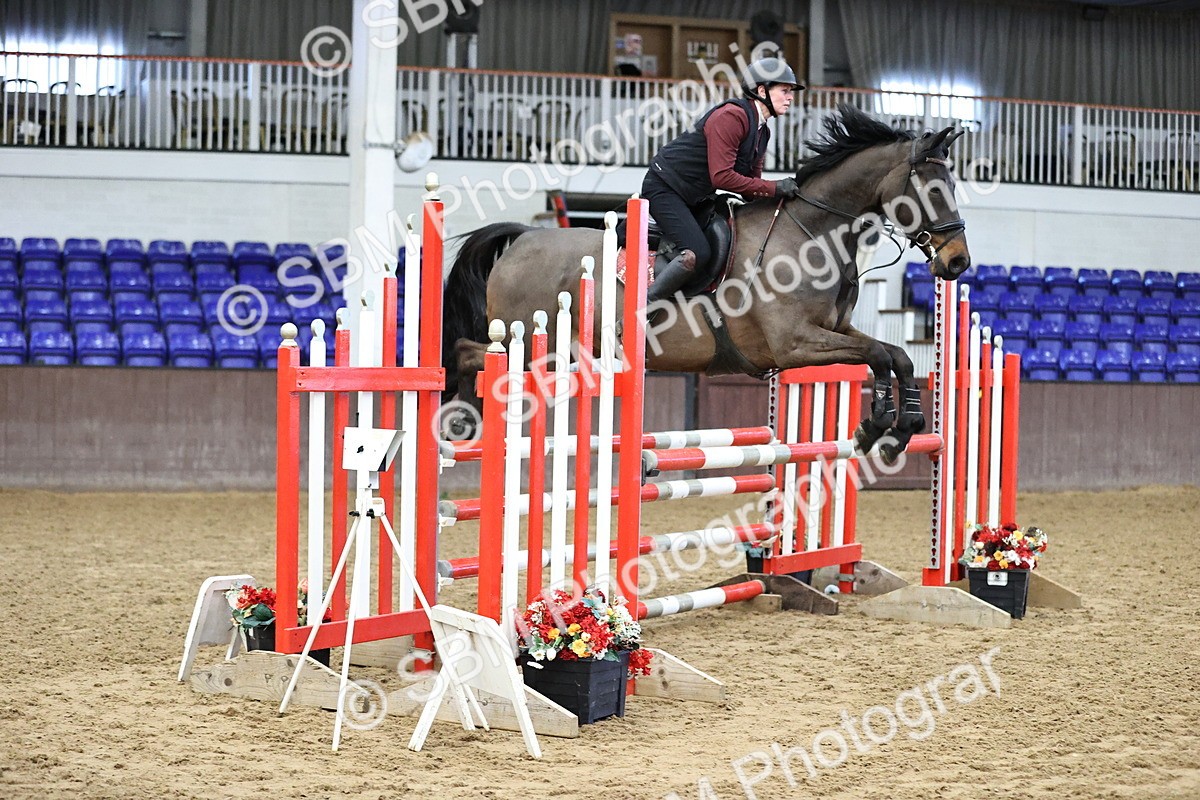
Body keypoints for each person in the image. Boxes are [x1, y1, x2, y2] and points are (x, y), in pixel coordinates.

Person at [640, 57, 805, 307]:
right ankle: (642, 307)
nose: (790, 97)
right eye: (784, 90)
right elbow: (722, 177)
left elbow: (751, 187)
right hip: (665, 187)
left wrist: (783, 194)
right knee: (697, 253)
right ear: (762, 91)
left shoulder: (763, 131)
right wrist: (774, 187)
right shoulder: (732, 116)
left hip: (693, 194)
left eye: (790, 92)